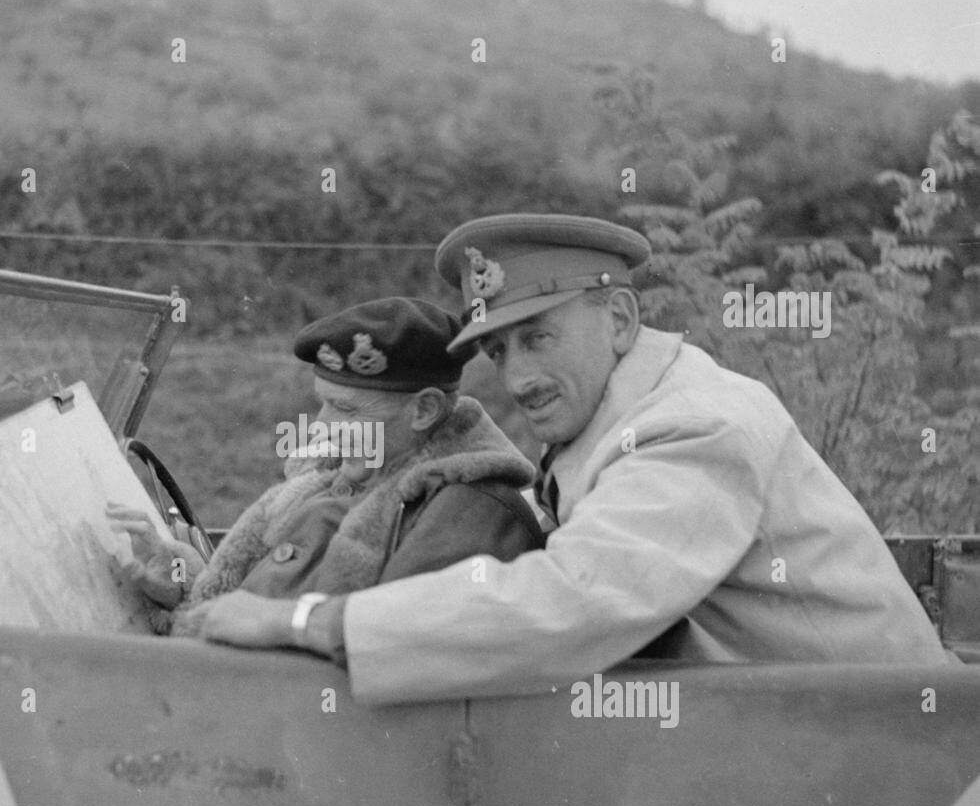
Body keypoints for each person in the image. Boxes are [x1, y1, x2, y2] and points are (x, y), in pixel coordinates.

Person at [182, 213, 953, 701]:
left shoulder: (695, 426)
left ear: (618, 318)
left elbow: (572, 601)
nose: (516, 377)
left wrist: (307, 618)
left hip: (890, 766)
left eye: (539, 337)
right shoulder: (606, 418)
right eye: (498, 349)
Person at [107, 296, 544, 631]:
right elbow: (273, 596)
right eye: (324, 405)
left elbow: (358, 653)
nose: (322, 427)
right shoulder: (339, 480)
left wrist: (205, 624)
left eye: (347, 410)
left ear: (424, 411)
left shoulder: (466, 515)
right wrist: (186, 582)